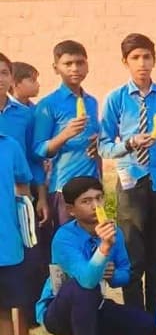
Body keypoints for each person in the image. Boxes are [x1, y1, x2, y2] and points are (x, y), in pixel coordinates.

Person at [36, 177, 156, 335]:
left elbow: (126, 273)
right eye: (86, 201)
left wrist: (114, 275)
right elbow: (87, 280)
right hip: (57, 311)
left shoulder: (114, 232)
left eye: (99, 198)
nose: (95, 206)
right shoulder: (64, 238)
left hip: (95, 306)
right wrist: (104, 248)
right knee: (83, 288)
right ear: (71, 210)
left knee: (148, 327)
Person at [99, 33, 156, 332]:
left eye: (147, 56)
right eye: (135, 57)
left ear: (154, 60)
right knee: (132, 257)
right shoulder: (117, 98)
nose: (142, 63)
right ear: (125, 62)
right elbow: (104, 145)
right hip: (130, 183)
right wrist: (130, 143)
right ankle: (136, 327)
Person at [33, 40, 100, 230]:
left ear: (87, 66)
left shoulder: (92, 102)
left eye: (80, 63)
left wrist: (99, 143)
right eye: (68, 64)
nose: (75, 68)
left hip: (92, 187)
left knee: (93, 241)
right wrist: (65, 135)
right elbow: (38, 150)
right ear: (56, 68)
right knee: (67, 241)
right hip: (64, 188)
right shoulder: (48, 104)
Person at [0, 130, 38, 335]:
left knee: (3, 315)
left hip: (6, 245)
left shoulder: (9, 144)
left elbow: (23, 185)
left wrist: (23, 221)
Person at [0, 51, 47, 226]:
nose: (0, 78)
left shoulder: (26, 115)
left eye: (4, 73)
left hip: (20, 195)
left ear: (11, 78)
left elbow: (34, 158)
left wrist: (42, 197)